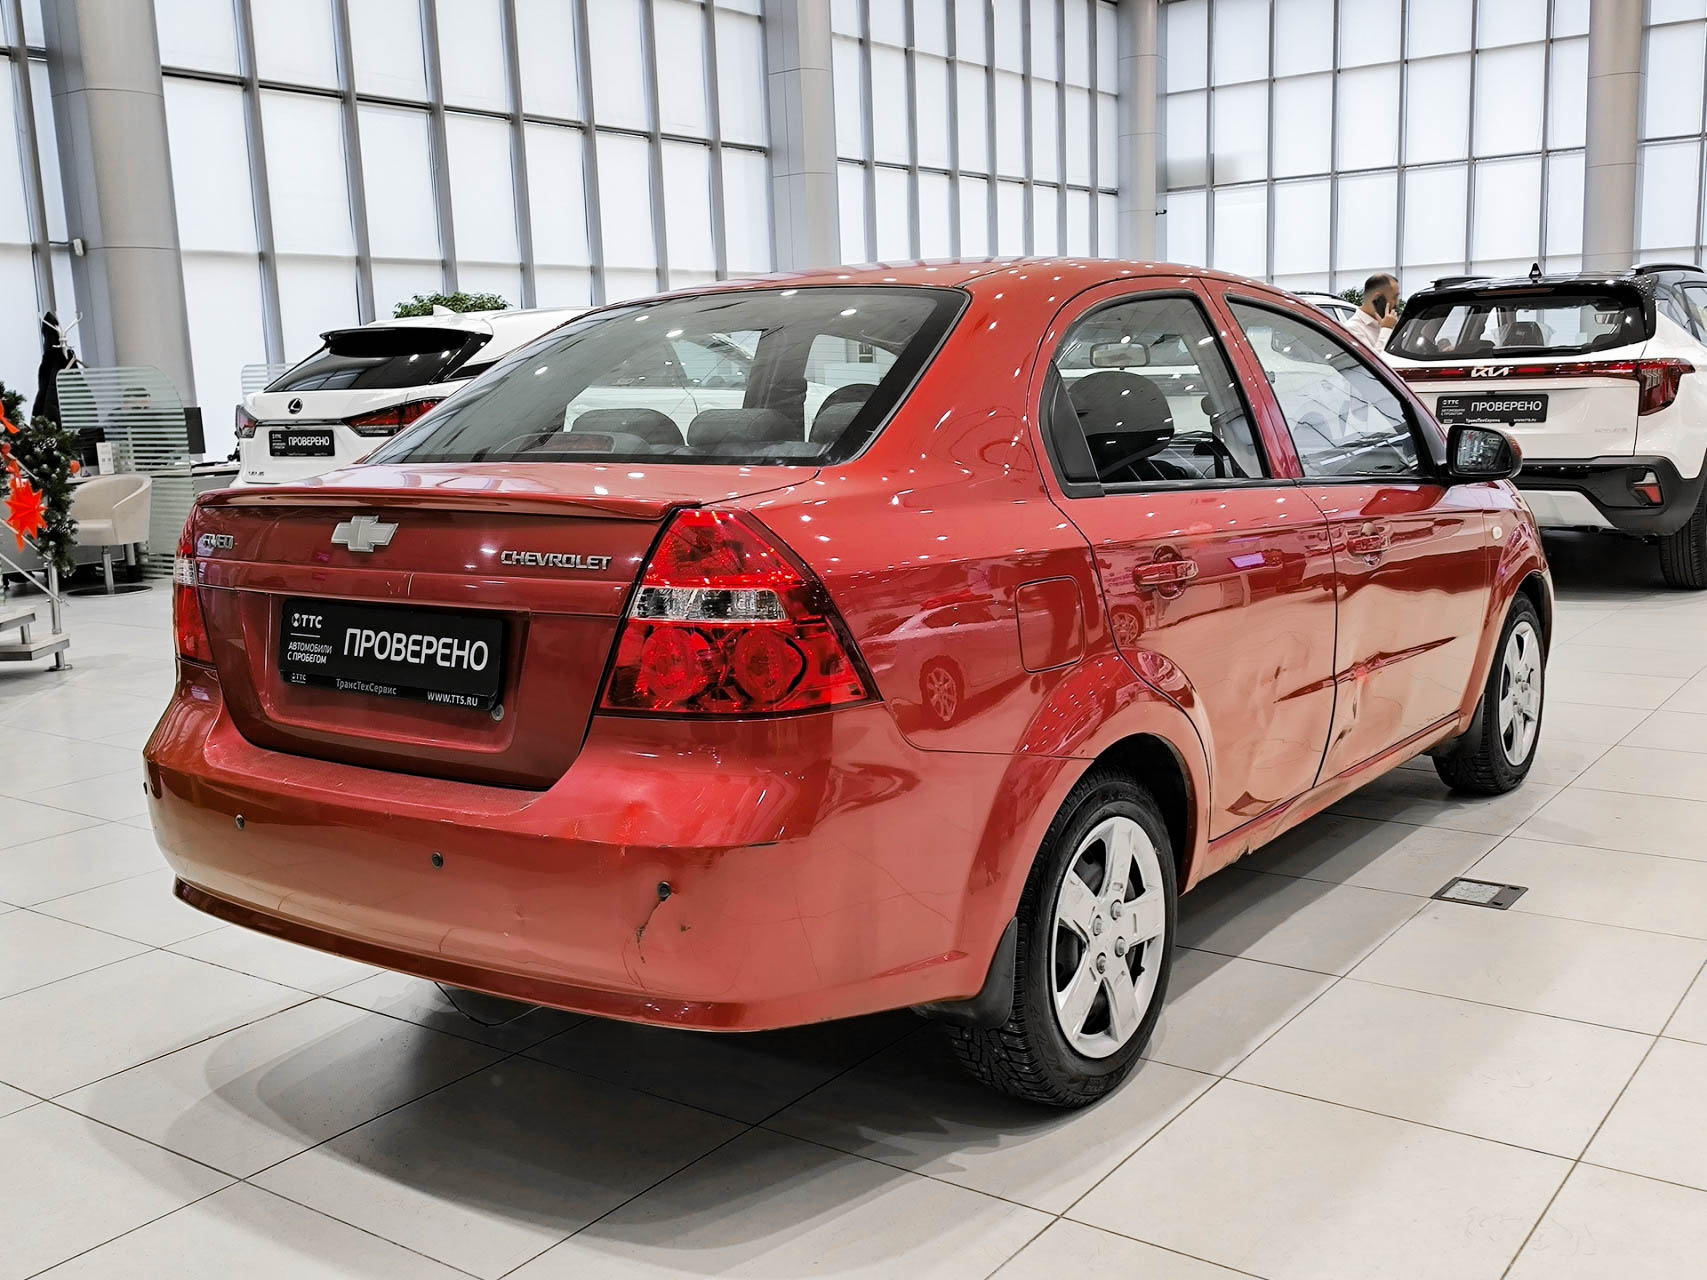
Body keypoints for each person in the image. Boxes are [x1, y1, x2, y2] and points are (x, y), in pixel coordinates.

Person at [1347, 273, 1400, 352]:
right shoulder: (1353, 329)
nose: (1397, 303)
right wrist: (1386, 329)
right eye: (1394, 298)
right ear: (1378, 298)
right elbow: (1374, 359)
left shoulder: (1389, 322)